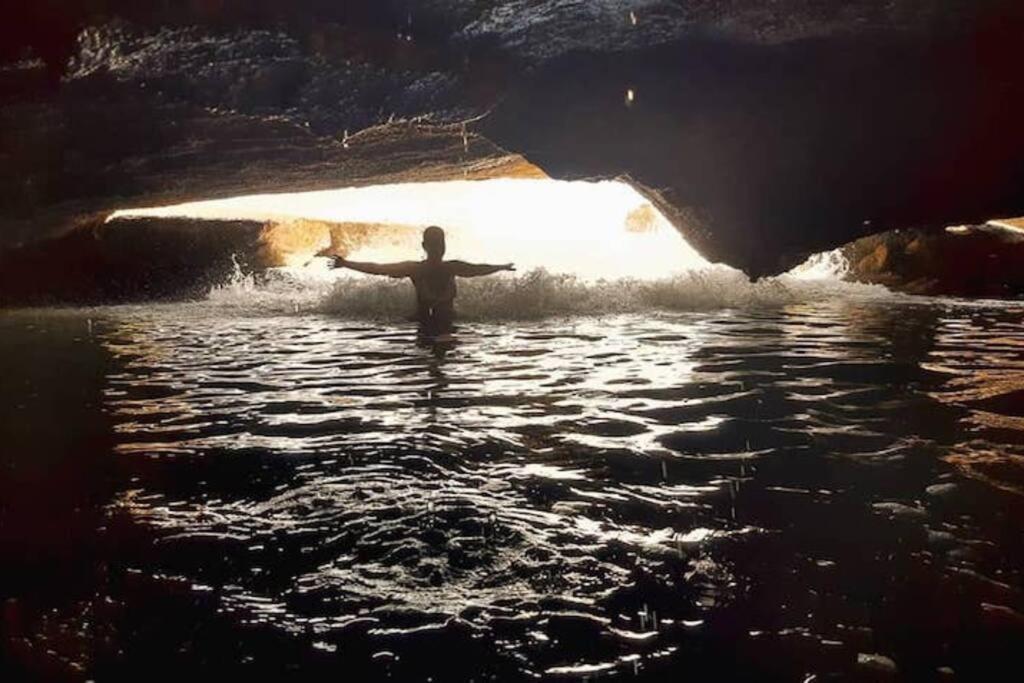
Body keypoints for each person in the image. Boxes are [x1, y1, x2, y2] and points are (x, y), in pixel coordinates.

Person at [328, 226, 514, 332]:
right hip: (423, 324)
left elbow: (477, 270)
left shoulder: (451, 267)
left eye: (441, 244)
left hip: (450, 323)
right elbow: (378, 269)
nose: (438, 248)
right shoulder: (415, 269)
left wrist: (501, 267)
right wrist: (346, 264)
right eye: (434, 245)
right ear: (425, 246)